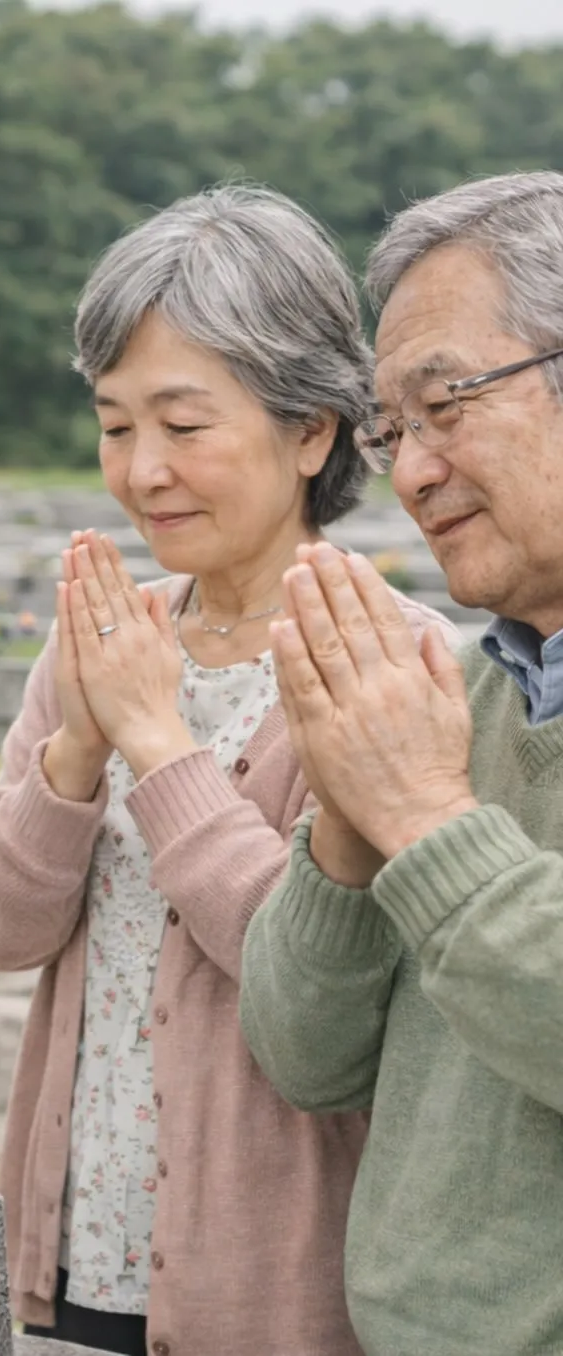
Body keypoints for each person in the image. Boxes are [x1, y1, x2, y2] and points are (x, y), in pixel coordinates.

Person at [0, 184, 453, 1356]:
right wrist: (78, 746)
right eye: (115, 426)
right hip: (78, 1250)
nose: (142, 472)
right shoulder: (104, 637)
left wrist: (155, 744)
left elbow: (317, 983)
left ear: (311, 431)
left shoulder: (390, 665)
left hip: (274, 1289)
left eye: (183, 426)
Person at [240, 170, 563, 1356]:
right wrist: (345, 813)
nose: (411, 473)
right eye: (393, 429)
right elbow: (305, 1058)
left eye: (447, 404)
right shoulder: (452, 693)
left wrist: (424, 816)